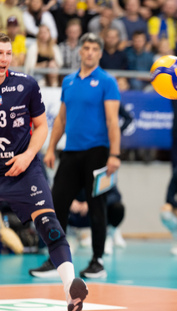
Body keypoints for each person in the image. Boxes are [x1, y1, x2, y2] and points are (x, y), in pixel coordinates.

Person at [0, 32, 87, 311]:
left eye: (7, 53)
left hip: (24, 170)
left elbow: (41, 126)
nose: (4, 59)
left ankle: (71, 289)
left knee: (50, 226)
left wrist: (27, 155)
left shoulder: (26, 85)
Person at [30, 32, 121, 279]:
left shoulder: (107, 82)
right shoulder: (69, 81)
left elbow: (113, 121)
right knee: (55, 205)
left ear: (100, 53)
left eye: (94, 48)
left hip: (98, 153)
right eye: (86, 48)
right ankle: (56, 260)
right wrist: (50, 148)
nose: (90, 52)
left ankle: (97, 260)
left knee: (97, 207)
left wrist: (114, 154)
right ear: (80, 51)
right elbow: (60, 119)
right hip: (70, 153)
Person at [68, 187, 126, 255]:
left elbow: (116, 195)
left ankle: (108, 236)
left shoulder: (102, 177)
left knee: (117, 208)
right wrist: (69, 200)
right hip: (75, 213)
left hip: (96, 212)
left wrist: (92, 203)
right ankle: (69, 237)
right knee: (57, 205)